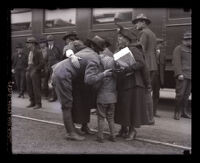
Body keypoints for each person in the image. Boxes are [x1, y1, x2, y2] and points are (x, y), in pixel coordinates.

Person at [51, 35, 104, 141]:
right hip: (63, 75)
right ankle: (70, 133)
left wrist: (71, 54)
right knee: (66, 105)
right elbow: (89, 80)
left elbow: (68, 46)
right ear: (98, 49)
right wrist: (104, 75)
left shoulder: (84, 49)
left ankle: (73, 130)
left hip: (60, 71)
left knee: (69, 104)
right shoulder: (95, 58)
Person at [114, 27, 151, 140]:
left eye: (121, 37)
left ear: (127, 40)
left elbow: (141, 64)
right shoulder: (120, 50)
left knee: (131, 108)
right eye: (119, 37)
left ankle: (132, 131)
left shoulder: (134, 49)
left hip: (134, 84)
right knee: (123, 107)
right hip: (124, 84)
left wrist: (128, 69)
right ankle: (123, 129)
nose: (119, 39)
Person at [84, 46, 116, 143]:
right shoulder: (114, 76)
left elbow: (93, 82)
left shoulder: (101, 75)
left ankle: (100, 137)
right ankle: (113, 136)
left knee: (101, 118)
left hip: (102, 98)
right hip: (112, 99)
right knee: (110, 118)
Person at [132, 13, 156, 122]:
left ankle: (148, 118)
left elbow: (140, 49)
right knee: (148, 90)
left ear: (144, 22)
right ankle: (150, 117)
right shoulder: (152, 33)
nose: (136, 24)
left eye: (138, 22)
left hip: (145, 64)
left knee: (145, 91)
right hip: (152, 64)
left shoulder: (143, 33)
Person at [172, 31, 191, 120]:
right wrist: (179, 73)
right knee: (180, 94)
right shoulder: (178, 48)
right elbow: (176, 62)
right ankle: (177, 112)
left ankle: (184, 112)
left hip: (189, 76)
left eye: (190, 39)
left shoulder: (190, 49)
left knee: (186, 95)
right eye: (187, 40)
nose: (189, 41)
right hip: (182, 75)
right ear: (183, 40)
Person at [26, 37, 44, 109]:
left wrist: (36, 69)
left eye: (28, 43)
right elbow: (29, 62)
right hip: (29, 70)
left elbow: (42, 63)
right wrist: (28, 68)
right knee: (29, 87)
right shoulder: (30, 52)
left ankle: (38, 104)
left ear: (32, 44)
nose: (27, 45)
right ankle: (32, 102)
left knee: (36, 88)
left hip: (35, 71)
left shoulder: (38, 51)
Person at [152, 38, 166, 117]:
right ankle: (146, 112)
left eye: (160, 45)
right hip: (150, 76)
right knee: (146, 94)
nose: (160, 46)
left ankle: (154, 112)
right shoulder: (150, 54)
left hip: (158, 78)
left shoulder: (162, 55)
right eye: (159, 44)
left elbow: (163, 68)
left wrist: (162, 79)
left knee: (156, 95)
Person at [46, 35, 62, 102]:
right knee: (50, 82)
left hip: (55, 67)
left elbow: (60, 57)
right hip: (49, 68)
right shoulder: (47, 49)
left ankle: (54, 96)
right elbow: (47, 59)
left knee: (53, 82)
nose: (50, 42)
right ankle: (51, 96)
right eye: (48, 41)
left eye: (51, 40)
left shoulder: (56, 48)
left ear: (53, 41)